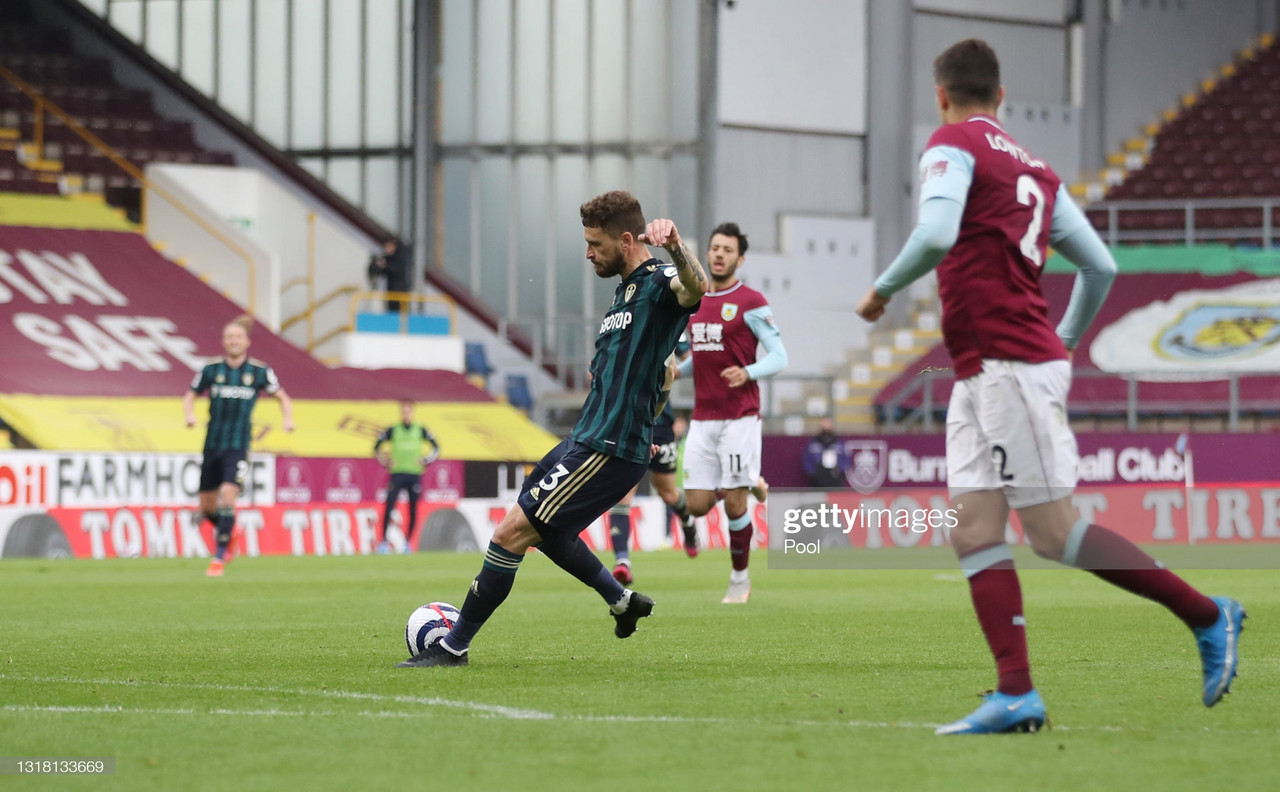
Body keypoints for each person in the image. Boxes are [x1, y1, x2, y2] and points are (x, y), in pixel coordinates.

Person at [855, 39, 1245, 735]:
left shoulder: (951, 144)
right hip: (987, 367)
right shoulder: (1037, 169)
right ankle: (1015, 694)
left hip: (1008, 363)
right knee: (974, 527)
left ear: (941, 96)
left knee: (1053, 533)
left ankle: (1208, 614)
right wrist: (1063, 340)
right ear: (1001, 97)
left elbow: (937, 230)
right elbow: (1099, 267)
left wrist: (883, 290)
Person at [397, 190, 706, 668]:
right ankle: (621, 602)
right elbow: (661, 378)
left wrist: (677, 247)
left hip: (609, 447)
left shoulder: (660, 281)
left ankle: (453, 646)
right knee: (547, 531)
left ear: (627, 241)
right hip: (585, 438)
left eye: (594, 243)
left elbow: (696, 288)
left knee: (510, 533)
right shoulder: (623, 294)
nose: (587, 253)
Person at [674, 222, 788, 604]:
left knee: (736, 504)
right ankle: (747, 478)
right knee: (696, 505)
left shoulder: (751, 302)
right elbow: (698, 356)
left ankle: (740, 580)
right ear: (706, 254)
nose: (720, 254)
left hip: (741, 415)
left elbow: (780, 357)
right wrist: (676, 371)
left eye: (728, 249)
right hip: (703, 418)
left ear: (740, 258)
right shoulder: (693, 300)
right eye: (715, 248)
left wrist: (748, 372)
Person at [183, 315, 295, 577]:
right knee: (207, 507)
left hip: (238, 445)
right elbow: (189, 395)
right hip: (212, 444)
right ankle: (230, 531)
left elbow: (283, 397)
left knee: (228, 496)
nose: (234, 341)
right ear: (224, 342)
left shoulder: (259, 371)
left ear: (246, 342)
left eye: (238, 337)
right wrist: (189, 414)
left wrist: (288, 420)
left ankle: (218, 557)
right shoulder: (211, 369)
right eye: (229, 337)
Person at [607, 333, 693, 583]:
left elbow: (693, 360)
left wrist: (676, 372)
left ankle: (687, 521)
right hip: (627, 421)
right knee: (623, 491)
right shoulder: (621, 320)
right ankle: (622, 560)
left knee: (667, 492)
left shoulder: (672, 324)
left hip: (661, 423)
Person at [373, 400, 441, 554]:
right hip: (397, 473)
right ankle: (383, 542)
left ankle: (407, 543)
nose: (406, 414)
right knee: (389, 506)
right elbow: (376, 447)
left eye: (408, 411)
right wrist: (385, 461)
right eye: (403, 412)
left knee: (412, 509)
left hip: (414, 474)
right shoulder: (393, 430)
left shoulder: (420, 429)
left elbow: (436, 447)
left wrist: (425, 460)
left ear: (412, 412)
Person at [803, 417, 849, 488]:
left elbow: (846, 459)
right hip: (818, 478)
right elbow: (807, 459)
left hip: (835, 477)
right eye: (824, 426)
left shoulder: (839, 443)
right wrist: (813, 473)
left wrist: (839, 469)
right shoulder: (813, 443)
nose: (826, 431)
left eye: (828, 425)